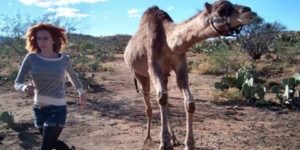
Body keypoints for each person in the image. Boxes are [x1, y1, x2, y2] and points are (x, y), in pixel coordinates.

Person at [14, 23, 87, 150]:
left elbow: (73, 76)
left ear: (53, 39)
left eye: (45, 38)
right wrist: (24, 88)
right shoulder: (31, 58)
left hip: (57, 109)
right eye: (39, 38)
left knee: (45, 147)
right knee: (53, 143)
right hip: (39, 110)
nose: (42, 42)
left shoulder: (64, 59)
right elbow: (17, 82)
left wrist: (81, 92)